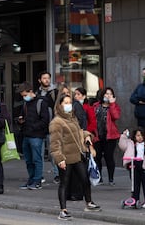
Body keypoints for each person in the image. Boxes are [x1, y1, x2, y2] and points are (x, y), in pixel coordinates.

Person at [49, 93, 101, 221]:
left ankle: (89, 203)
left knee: (85, 179)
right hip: (65, 158)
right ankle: (63, 210)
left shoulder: (72, 118)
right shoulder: (57, 122)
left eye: (69, 102)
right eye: (65, 103)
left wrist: (87, 135)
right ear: (60, 105)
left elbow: (77, 132)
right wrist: (59, 159)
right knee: (64, 183)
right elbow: (55, 143)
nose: (68, 105)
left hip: (77, 156)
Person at [17, 81, 50, 190]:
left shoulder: (41, 102)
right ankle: (32, 179)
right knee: (28, 159)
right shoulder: (26, 103)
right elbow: (23, 115)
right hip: (27, 134)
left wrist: (33, 127)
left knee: (36, 158)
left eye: (25, 95)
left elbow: (45, 120)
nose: (24, 98)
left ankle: (37, 180)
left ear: (31, 92)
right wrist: (21, 121)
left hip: (36, 135)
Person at [118, 127, 145, 208]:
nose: (140, 137)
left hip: (144, 165)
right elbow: (122, 146)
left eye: (141, 135)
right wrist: (124, 136)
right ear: (134, 136)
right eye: (138, 135)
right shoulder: (131, 144)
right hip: (134, 164)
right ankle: (135, 199)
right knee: (135, 184)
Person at [93, 87, 121, 185]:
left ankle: (111, 178)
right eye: (106, 94)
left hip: (110, 136)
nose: (108, 96)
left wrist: (112, 103)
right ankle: (99, 177)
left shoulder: (114, 106)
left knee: (109, 157)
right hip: (97, 135)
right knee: (97, 157)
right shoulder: (96, 106)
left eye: (110, 94)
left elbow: (115, 116)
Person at [36, 71, 59, 184]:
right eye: (44, 78)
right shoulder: (37, 92)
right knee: (39, 153)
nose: (46, 80)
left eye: (48, 78)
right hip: (41, 127)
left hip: (52, 126)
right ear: (40, 80)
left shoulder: (55, 92)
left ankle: (57, 174)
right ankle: (39, 175)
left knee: (53, 152)